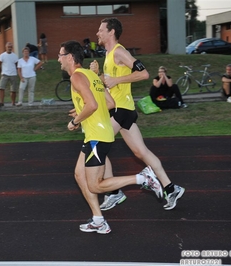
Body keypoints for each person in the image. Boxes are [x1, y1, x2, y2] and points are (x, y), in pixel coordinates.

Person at [59, 40, 162, 234]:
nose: (58, 60)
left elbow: (92, 105)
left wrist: (76, 120)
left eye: (60, 55)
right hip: (98, 133)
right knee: (79, 175)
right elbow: (110, 102)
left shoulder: (77, 78)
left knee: (95, 185)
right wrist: (82, 110)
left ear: (70, 57)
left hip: (97, 135)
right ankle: (98, 220)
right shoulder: (91, 75)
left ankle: (143, 178)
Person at [90, 17, 185, 211]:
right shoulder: (109, 55)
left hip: (121, 109)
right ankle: (170, 187)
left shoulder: (119, 52)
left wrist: (117, 80)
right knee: (140, 152)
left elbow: (143, 74)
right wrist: (98, 75)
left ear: (111, 32)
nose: (97, 33)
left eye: (101, 30)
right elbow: (109, 83)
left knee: (97, 145)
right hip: (123, 109)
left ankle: (113, 192)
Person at [0, 42, 19, 107]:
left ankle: (13, 102)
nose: (9, 48)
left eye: (11, 47)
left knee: (13, 89)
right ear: (6, 47)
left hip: (13, 74)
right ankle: (1, 102)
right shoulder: (2, 55)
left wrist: (18, 73)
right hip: (5, 74)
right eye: (8, 47)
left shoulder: (15, 56)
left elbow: (17, 65)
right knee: (1, 88)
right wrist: (1, 72)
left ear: (12, 48)